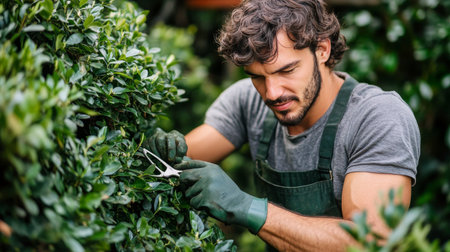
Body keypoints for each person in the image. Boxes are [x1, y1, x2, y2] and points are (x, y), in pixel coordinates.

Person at [146, 0, 420, 250]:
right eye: (258, 76)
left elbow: (369, 242)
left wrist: (246, 207)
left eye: (286, 70)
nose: (272, 93)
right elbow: (173, 163)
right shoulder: (247, 100)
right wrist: (162, 147)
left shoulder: (378, 117)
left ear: (322, 49)